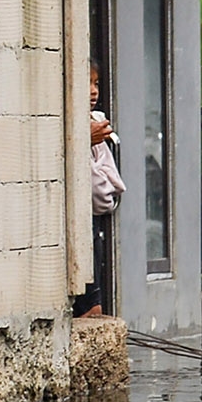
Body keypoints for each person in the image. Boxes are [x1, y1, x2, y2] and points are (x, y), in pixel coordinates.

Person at [76, 63, 121, 317]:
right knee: (89, 311)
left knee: (93, 308)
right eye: (87, 83)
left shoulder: (98, 128)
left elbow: (106, 196)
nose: (93, 92)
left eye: (96, 84)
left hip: (93, 228)